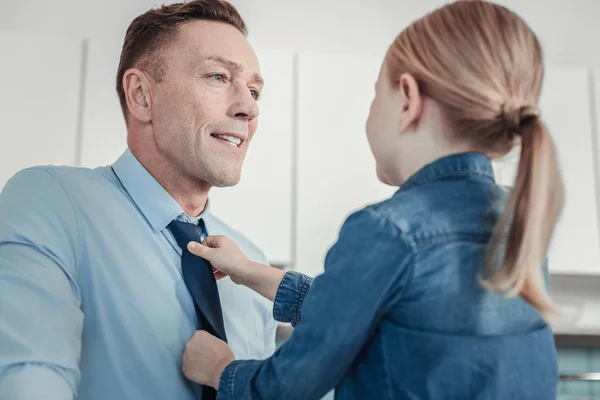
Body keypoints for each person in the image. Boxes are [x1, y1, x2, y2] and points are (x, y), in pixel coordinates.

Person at [179, 1, 565, 399]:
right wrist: (249, 271)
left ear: (408, 100)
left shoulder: (389, 229)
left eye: (374, 95)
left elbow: (288, 386)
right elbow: (373, 307)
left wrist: (222, 370)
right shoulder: (517, 220)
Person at [0, 1, 277, 399]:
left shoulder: (253, 268)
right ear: (142, 95)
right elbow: (28, 378)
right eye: (218, 76)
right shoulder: (52, 204)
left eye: (254, 91)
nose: (249, 107)